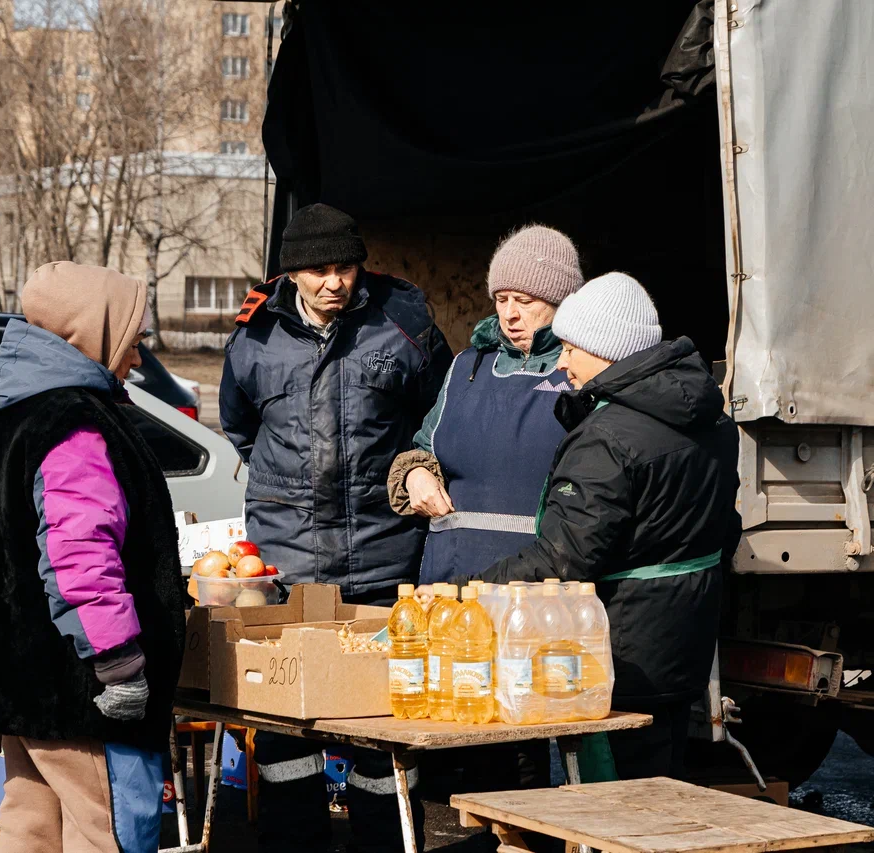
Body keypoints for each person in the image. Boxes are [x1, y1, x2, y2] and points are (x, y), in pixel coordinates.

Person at [0, 262, 187, 853]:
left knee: (31, 826)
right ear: (90, 334)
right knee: (111, 829)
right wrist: (118, 663)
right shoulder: (71, 421)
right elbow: (80, 556)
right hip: (78, 689)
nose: (138, 358)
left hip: (26, 684)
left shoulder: (12, 409)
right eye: (133, 339)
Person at [221, 204, 452, 853]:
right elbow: (239, 425)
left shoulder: (402, 324)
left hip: (380, 563)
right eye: (319, 269)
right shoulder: (254, 336)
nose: (334, 282)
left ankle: (383, 845)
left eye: (344, 267)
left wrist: (412, 472)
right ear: (292, 270)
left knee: (381, 730)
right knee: (286, 733)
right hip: (285, 570)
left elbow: (440, 412)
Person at [478, 272, 740, 781]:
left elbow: (563, 559)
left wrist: (471, 589)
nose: (562, 361)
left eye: (572, 347)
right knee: (663, 788)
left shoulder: (608, 436)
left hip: (618, 656)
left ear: (606, 349)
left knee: (613, 803)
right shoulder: (712, 420)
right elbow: (726, 529)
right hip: (684, 646)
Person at [387, 224, 583, 795]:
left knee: (529, 742)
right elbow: (421, 443)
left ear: (561, 303)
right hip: (453, 587)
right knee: (464, 732)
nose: (512, 314)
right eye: (502, 300)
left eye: (528, 302)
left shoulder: (578, 374)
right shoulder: (465, 367)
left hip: (536, 589)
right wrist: (415, 472)